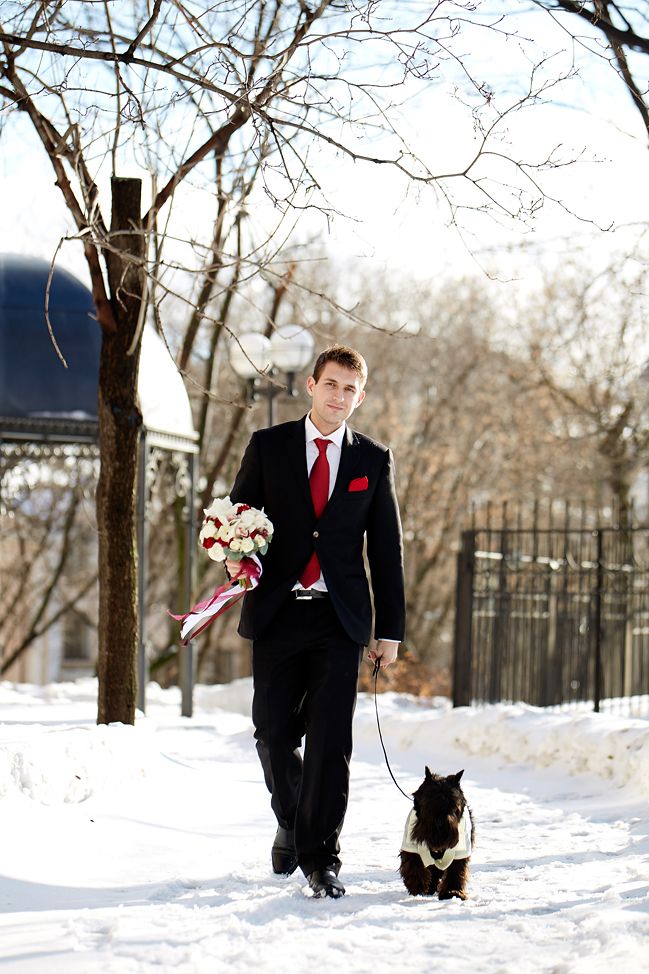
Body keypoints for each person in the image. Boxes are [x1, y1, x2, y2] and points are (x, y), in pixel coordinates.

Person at [227, 343, 406, 898]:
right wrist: (233, 555)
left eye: (351, 389)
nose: (340, 397)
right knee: (273, 732)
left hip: (339, 619)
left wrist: (390, 631)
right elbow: (237, 518)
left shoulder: (372, 460)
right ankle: (292, 814)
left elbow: (387, 551)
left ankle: (320, 855)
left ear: (361, 396)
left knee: (331, 740)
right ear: (311, 385)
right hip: (278, 613)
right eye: (331, 385)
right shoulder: (268, 446)